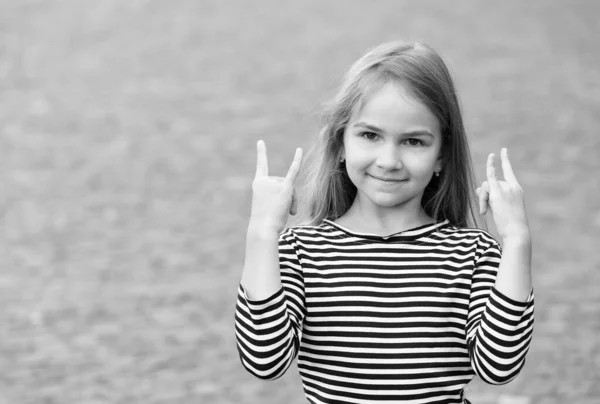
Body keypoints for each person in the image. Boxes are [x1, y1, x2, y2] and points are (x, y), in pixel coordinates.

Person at [234, 40, 534, 404]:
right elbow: (265, 360)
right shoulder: (299, 253)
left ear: (442, 155)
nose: (389, 160)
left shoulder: (473, 255)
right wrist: (262, 234)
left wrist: (516, 240)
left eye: (413, 141)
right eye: (370, 135)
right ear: (340, 142)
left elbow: (499, 366)